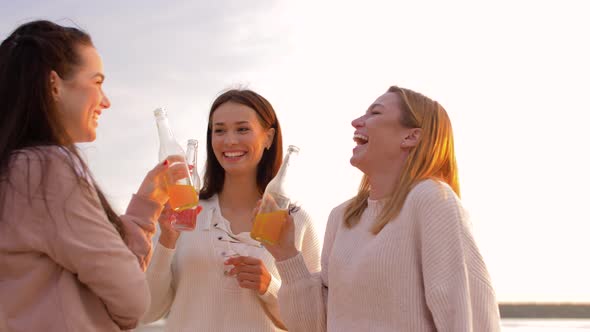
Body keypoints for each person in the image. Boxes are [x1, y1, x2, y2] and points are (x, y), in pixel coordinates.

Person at [264, 86, 502, 331]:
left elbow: (469, 318)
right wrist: (286, 253)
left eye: (374, 114)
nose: (356, 122)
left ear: (410, 137)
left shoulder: (431, 199)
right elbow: (315, 327)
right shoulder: (343, 217)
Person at [0, 20, 182, 331]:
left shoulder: (12, 167)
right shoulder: (45, 169)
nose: (106, 100)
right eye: (97, 82)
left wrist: (147, 203)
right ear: (53, 85)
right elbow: (133, 299)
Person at [141, 89, 321, 331]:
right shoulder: (183, 213)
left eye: (242, 129)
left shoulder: (297, 222)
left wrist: (269, 287)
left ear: (268, 137)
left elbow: (312, 323)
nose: (230, 140)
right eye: (219, 130)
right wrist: (167, 242)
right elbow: (147, 312)